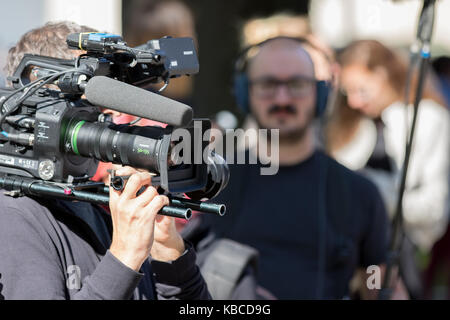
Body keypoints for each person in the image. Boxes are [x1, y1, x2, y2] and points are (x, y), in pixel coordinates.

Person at [0, 21, 210, 300]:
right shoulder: (14, 215)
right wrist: (124, 257)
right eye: (93, 103)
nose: (112, 114)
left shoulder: (93, 202)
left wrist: (169, 255)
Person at [203, 36, 393, 299]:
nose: (282, 98)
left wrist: (378, 288)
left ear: (321, 93)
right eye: (268, 84)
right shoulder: (210, 184)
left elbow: (374, 273)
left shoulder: (360, 193)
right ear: (246, 92)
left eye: (297, 84)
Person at [326, 40, 449, 253]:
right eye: (348, 93)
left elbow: (434, 208)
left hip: (402, 248)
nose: (354, 102)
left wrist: (372, 191)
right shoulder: (353, 124)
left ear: (384, 76)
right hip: (348, 248)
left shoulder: (427, 121)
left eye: (362, 90)